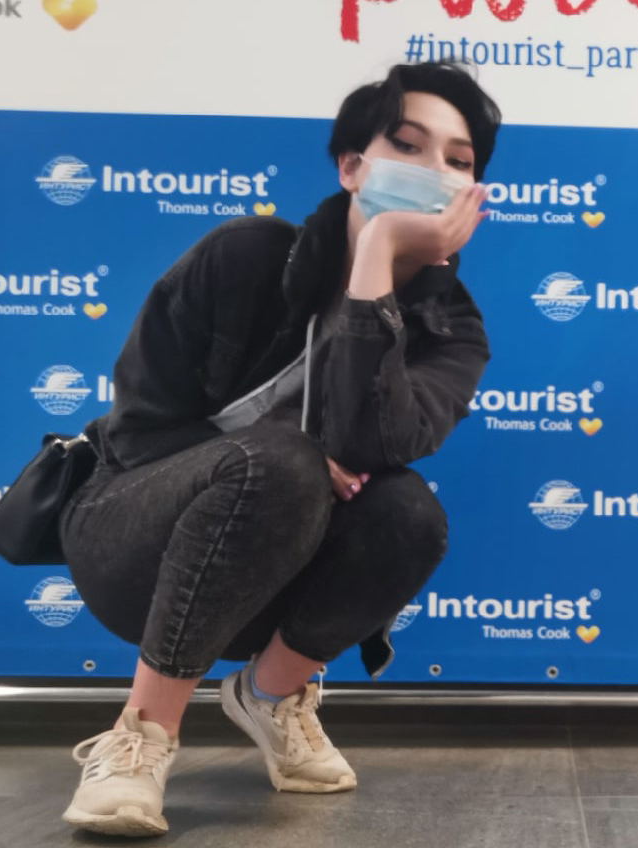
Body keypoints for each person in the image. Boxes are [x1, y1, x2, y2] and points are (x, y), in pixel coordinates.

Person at [56, 61, 500, 837]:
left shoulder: (452, 333)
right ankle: (139, 737)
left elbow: (371, 445)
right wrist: (272, 456)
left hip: (278, 582)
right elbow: (138, 428)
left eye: (457, 160)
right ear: (352, 166)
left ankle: (270, 696)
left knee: (410, 515)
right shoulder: (245, 256)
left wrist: (378, 255)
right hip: (131, 541)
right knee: (285, 462)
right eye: (406, 145)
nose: (434, 169)